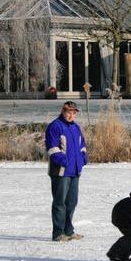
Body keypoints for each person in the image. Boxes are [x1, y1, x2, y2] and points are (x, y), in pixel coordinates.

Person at [45, 101, 87, 242]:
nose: (71, 115)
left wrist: (82, 159)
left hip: (75, 172)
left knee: (72, 202)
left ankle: (68, 231)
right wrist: (65, 162)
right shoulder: (55, 126)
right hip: (61, 172)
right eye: (68, 112)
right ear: (63, 111)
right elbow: (52, 148)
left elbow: (82, 146)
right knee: (60, 203)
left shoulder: (76, 127)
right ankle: (58, 233)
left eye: (73, 112)